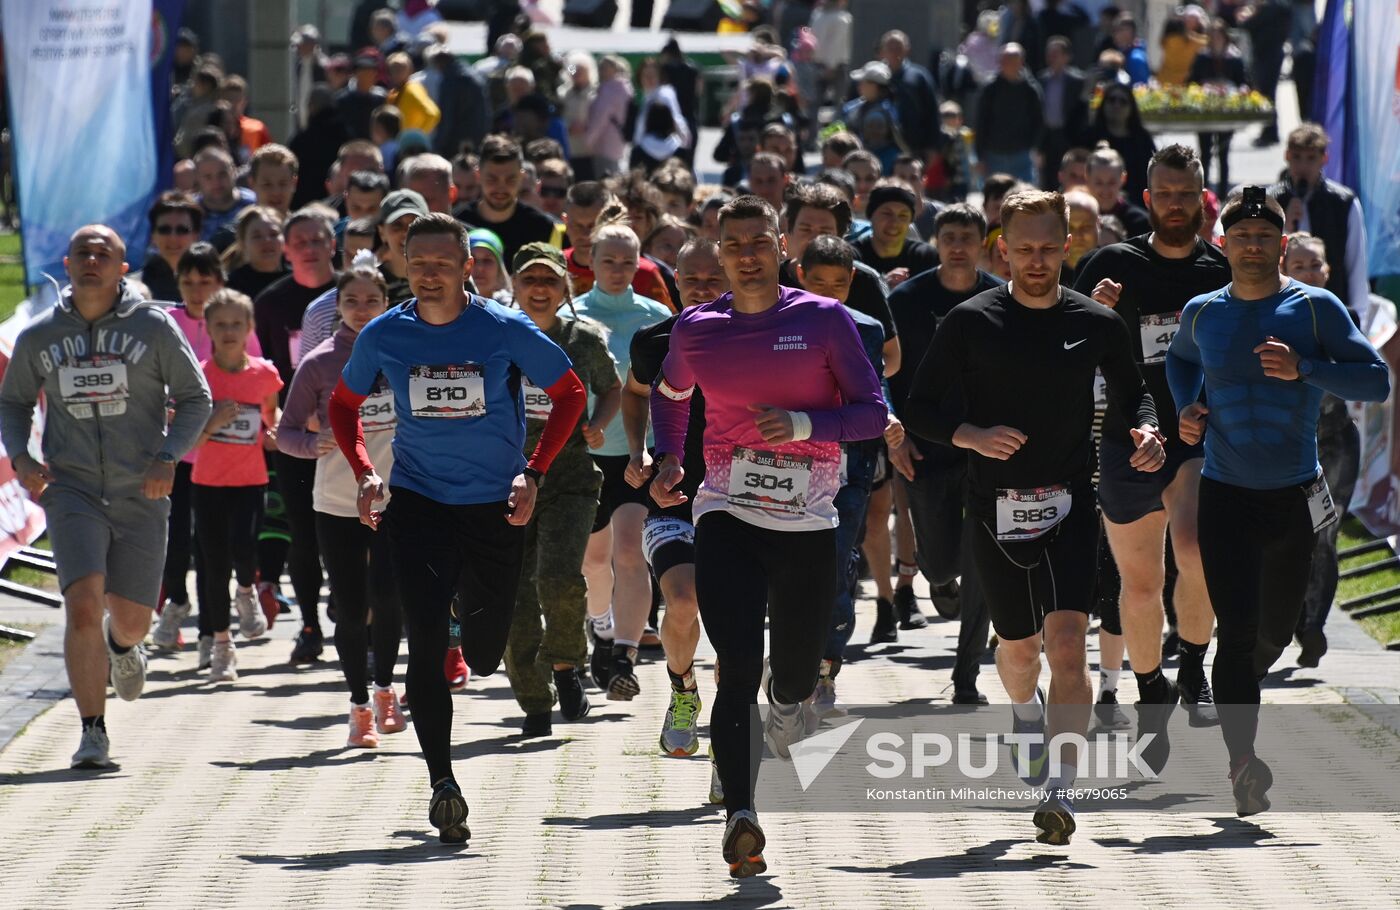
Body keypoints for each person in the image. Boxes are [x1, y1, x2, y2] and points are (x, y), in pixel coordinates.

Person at [903, 190, 1164, 845]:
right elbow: (921, 409)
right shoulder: (969, 321)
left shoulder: (1096, 323)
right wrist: (970, 435)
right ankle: (1025, 717)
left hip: (1071, 505)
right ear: (1003, 251)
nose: (1038, 260)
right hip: (994, 511)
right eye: (1024, 249)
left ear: (1067, 247)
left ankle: (1060, 792)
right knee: (1019, 654)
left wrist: (1147, 432)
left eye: (1050, 248)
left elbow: (1138, 398)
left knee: (1068, 648)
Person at [328, 212, 587, 843]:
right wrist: (365, 472)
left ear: (468, 266)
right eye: (418, 265)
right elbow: (343, 404)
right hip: (418, 500)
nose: (430, 275)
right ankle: (443, 782)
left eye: (443, 264)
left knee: (483, 652)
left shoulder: (502, 328)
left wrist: (535, 472)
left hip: (492, 505)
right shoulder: (387, 334)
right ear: (404, 266)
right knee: (423, 641)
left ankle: (464, 617)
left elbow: (571, 393)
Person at [648, 195, 885, 877]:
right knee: (737, 667)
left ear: (779, 247)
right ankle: (741, 815)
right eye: (734, 244)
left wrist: (805, 426)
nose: (747, 255)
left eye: (758, 243)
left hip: (808, 519)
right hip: (727, 512)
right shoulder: (697, 329)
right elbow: (670, 397)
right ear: (718, 252)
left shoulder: (823, 319)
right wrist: (668, 459)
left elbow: (871, 413)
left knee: (793, 670)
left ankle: (790, 704)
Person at [1165, 187, 1388, 815]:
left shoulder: (1314, 309)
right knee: (1236, 631)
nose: (1253, 247)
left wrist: (1306, 370)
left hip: (1293, 495)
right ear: (1223, 244)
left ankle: (1239, 696)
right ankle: (1244, 762)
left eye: (1265, 237)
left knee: (1277, 630)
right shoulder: (1203, 312)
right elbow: (1179, 364)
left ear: (1282, 244)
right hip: (1225, 493)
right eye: (1241, 237)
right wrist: (1185, 408)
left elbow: (1377, 379)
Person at [0, 225, 212, 769]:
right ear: (67, 265)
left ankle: (123, 647)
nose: (92, 260)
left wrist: (168, 458)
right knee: (83, 603)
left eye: (104, 253)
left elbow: (195, 398)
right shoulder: (41, 336)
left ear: (122, 268)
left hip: (142, 487)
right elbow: (13, 403)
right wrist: (23, 459)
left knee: (133, 620)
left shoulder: (154, 328)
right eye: (82, 253)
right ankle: (92, 731)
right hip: (71, 488)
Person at [1074, 145, 1232, 751]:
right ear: (1147, 200)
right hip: (1126, 439)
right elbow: (1064, 346)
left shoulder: (1220, 271)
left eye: (1186, 195)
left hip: (1196, 436)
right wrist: (1092, 313)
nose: (1175, 205)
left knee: (1194, 550)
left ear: (1202, 200)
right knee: (1139, 586)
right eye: (1164, 194)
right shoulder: (1112, 263)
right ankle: (1151, 691)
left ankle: (1194, 661)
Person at [278, 254, 406, 745]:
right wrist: (315, 444)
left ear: (386, 303)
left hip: (398, 499)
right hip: (335, 499)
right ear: (338, 306)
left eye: (371, 299)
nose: (361, 308)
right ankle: (358, 708)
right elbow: (285, 431)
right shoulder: (319, 363)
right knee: (351, 608)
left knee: (389, 596)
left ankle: (386, 690)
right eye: (351, 300)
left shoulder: (404, 354)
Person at [886, 203, 1005, 703]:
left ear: (984, 245)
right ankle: (938, 581)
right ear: (936, 242)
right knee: (938, 563)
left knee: (982, 559)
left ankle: (966, 676)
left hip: (986, 449)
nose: (958, 245)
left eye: (967, 237)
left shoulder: (999, 299)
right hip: (926, 446)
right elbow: (885, 373)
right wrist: (896, 435)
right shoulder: (908, 299)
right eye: (949, 237)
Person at [504, 242, 621, 736]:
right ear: (514, 286)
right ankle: (534, 698)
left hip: (571, 477)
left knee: (559, 578)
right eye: (529, 279)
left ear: (564, 289)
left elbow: (613, 387)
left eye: (549, 280)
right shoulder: (497, 338)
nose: (538, 289)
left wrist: (598, 423)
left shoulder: (583, 338)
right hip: (507, 480)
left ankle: (568, 667)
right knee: (516, 594)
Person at [623, 239, 729, 761]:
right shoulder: (653, 341)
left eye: (716, 278)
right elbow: (635, 392)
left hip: (745, 499)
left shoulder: (761, 338)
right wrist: (640, 447)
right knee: (683, 599)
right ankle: (683, 690)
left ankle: (732, 738)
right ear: (676, 283)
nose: (705, 289)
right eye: (694, 280)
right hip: (676, 496)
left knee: (735, 623)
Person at [574, 219, 671, 698]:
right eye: (607, 260)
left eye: (627, 261)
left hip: (638, 453)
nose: (617, 270)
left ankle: (623, 656)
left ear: (640, 264)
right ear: (588, 261)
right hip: (587, 455)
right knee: (594, 562)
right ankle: (601, 629)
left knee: (632, 551)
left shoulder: (655, 315)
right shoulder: (572, 314)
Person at [254, 206, 339, 662]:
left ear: (333, 244)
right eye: (299, 241)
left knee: (348, 533)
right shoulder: (270, 303)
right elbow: (263, 370)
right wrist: (276, 422)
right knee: (303, 535)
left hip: (354, 432)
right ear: (286, 251)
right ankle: (309, 625)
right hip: (295, 432)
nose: (309, 248)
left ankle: (353, 615)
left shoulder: (353, 294)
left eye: (317, 239)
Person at [189, 290, 283, 681]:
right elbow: (184, 438)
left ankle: (247, 593)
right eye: (221, 324)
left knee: (245, 553)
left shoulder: (264, 374)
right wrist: (212, 422)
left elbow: (270, 412)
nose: (229, 331)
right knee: (213, 566)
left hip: (250, 480)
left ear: (250, 328)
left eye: (237, 324)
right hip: (207, 482)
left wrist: (273, 430)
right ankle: (222, 646)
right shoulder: (197, 375)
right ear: (207, 327)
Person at [1281, 233, 1358, 668]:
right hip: (1286, 446)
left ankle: (1314, 626)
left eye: (1316, 266)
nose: (1310, 274)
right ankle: (1289, 617)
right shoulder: (1271, 317)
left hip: (1335, 441)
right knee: (1288, 537)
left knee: (1324, 536)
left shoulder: (1341, 317)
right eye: (1300, 266)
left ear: (1328, 271)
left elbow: (1365, 376)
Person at [1268, 123, 1371, 315]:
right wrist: (1286, 228)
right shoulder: (1271, 200)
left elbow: (1356, 263)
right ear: (1287, 156)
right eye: (1297, 158)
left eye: (1311, 158)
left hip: (1333, 304)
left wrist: (1359, 317)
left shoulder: (1343, 201)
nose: (1303, 167)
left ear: (1324, 159)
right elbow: (1264, 261)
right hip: (1284, 306)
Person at [563, 183, 673, 308]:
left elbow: (666, 324)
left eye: (593, 225)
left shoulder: (645, 274)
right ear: (565, 222)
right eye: (577, 225)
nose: (585, 234)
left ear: (609, 220)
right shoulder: (554, 269)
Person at [458, 135, 558, 265]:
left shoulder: (544, 229)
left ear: (521, 177)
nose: (501, 187)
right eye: (492, 179)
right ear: (478, 176)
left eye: (510, 179)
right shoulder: (457, 225)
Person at [1189, 18, 1248, 196]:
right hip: (1205, 111)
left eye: (1218, 35)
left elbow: (1243, 82)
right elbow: (1192, 81)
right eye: (1212, 35)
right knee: (1204, 154)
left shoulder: (1235, 58)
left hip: (1226, 110)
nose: (1215, 39)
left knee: (1223, 153)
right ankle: (1204, 190)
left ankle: (1222, 192)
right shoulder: (1202, 57)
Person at [974, 44, 1044, 185]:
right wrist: (979, 156)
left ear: (1021, 62)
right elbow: (981, 122)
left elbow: (1039, 121)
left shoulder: (1030, 89)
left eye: (1012, 60)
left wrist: (1037, 148)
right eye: (1004, 60)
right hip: (994, 155)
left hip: (1022, 155)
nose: (1007, 64)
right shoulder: (990, 88)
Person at [851, 180, 938, 290]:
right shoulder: (852, 257)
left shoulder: (926, 257)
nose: (894, 223)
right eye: (887, 214)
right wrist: (882, 285)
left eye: (903, 216)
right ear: (871, 215)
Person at [1085, 84, 1156, 204]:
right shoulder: (1090, 137)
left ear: (1131, 107)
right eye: (1112, 100)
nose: (1117, 105)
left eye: (1123, 101)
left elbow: (1152, 173)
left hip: (1136, 203)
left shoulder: (1142, 138)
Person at [1037, 37, 1090, 193]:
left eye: (1056, 53)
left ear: (1067, 57)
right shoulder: (1041, 80)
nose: (1051, 57)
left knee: (1071, 177)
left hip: (1069, 136)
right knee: (1048, 180)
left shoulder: (1078, 81)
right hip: (1047, 137)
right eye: (1049, 53)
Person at [878, 30, 940, 158]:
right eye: (890, 48)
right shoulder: (875, 77)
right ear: (882, 51)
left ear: (907, 50)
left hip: (914, 147)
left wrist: (932, 147)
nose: (895, 53)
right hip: (881, 147)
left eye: (899, 48)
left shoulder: (918, 77)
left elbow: (932, 112)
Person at [140, 192, 203, 302]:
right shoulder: (137, 286)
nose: (173, 237)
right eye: (164, 230)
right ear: (153, 236)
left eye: (182, 230)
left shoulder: (215, 282)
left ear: (196, 236)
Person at [194, 147, 256, 247]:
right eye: (208, 177)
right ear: (197, 179)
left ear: (234, 171)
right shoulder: (190, 212)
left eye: (222, 174)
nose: (216, 182)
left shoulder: (254, 205)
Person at [225, 207, 289, 300]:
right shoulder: (232, 286)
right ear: (243, 243)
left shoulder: (299, 279)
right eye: (257, 236)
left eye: (273, 234)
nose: (267, 240)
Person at [1085, 145, 1150, 237]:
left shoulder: (1140, 222)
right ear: (1087, 178)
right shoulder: (1078, 219)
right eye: (1098, 182)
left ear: (1123, 178)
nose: (1105, 189)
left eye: (1111, 182)